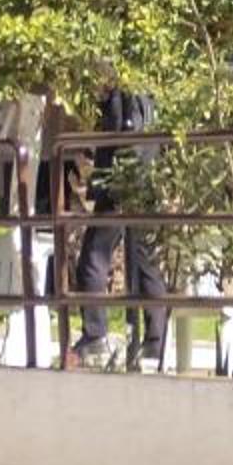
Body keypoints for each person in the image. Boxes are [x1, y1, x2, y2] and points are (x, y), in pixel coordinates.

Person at [69, 92, 167, 368]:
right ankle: (154, 343)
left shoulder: (123, 91)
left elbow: (124, 132)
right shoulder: (149, 94)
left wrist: (111, 177)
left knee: (93, 258)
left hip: (121, 184)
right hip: (144, 181)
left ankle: (95, 335)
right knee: (145, 261)